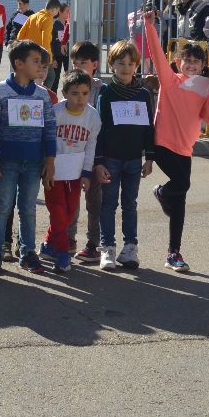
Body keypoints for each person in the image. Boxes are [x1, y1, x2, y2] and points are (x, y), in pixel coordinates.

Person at [142, 11, 209, 272]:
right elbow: (155, 54)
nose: (190, 65)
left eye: (196, 62)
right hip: (162, 143)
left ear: (203, 65)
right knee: (181, 185)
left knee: (180, 204)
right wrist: (149, 25)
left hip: (185, 149)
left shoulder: (203, 86)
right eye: (186, 60)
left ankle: (174, 253)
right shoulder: (169, 79)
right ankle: (161, 192)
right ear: (177, 62)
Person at [0, 39, 58, 275]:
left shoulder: (42, 95)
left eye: (41, 62)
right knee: (3, 206)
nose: (40, 66)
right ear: (18, 63)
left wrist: (50, 161)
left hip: (33, 163)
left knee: (28, 208)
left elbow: (49, 130)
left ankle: (27, 253)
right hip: (6, 162)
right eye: (35, 61)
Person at [93, 40, 154, 271]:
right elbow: (99, 129)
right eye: (121, 63)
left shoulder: (143, 94)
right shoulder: (106, 93)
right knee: (108, 204)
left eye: (130, 63)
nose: (126, 67)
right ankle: (107, 248)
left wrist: (149, 157)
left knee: (130, 204)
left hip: (133, 160)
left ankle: (130, 248)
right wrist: (98, 162)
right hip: (111, 159)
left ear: (137, 65)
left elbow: (149, 127)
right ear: (112, 65)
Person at [42, 72, 99, 273]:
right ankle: (62, 252)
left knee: (69, 211)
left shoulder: (92, 116)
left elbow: (91, 146)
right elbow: (46, 140)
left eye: (85, 93)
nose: (80, 98)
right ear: (64, 93)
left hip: (75, 172)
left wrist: (86, 173)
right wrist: (46, 167)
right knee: (57, 210)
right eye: (75, 93)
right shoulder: (55, 112)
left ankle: (49, 243)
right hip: (54, 170)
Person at [67, 41, 105, 263]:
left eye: (84, 63)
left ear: (94, 65)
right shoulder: (68, 88)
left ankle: (94, 243)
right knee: (71, 199)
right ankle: (68, 239)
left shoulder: (101, 91)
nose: (79, 66)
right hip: (72, 154)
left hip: (96, 154)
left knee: (95, 201)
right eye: (75, 63)